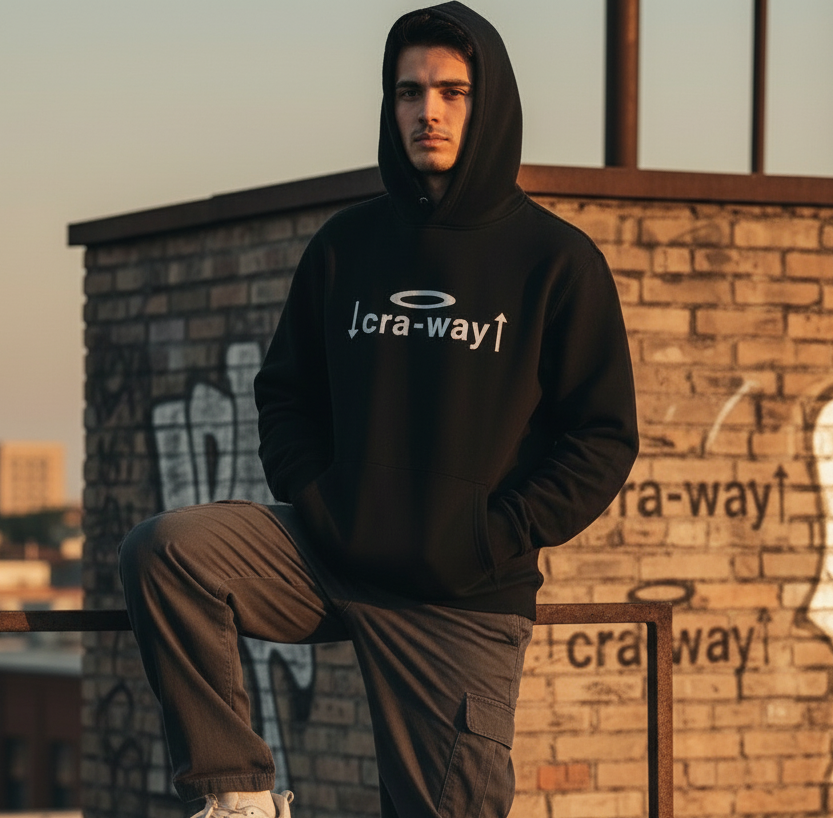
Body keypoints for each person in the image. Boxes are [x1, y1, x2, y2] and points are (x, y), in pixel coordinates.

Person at [118, 3, 638, 817]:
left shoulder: (555, 261)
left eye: (451, 92)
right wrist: (321, 501)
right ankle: (237, 797)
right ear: (389, 103)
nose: (426, 111)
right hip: (329, 554)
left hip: (458, 592)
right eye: (408, 91)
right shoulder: (344, 246)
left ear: (488, 102)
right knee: (170, 552)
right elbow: (286, 392)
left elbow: (600, 438)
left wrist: (489, 535)